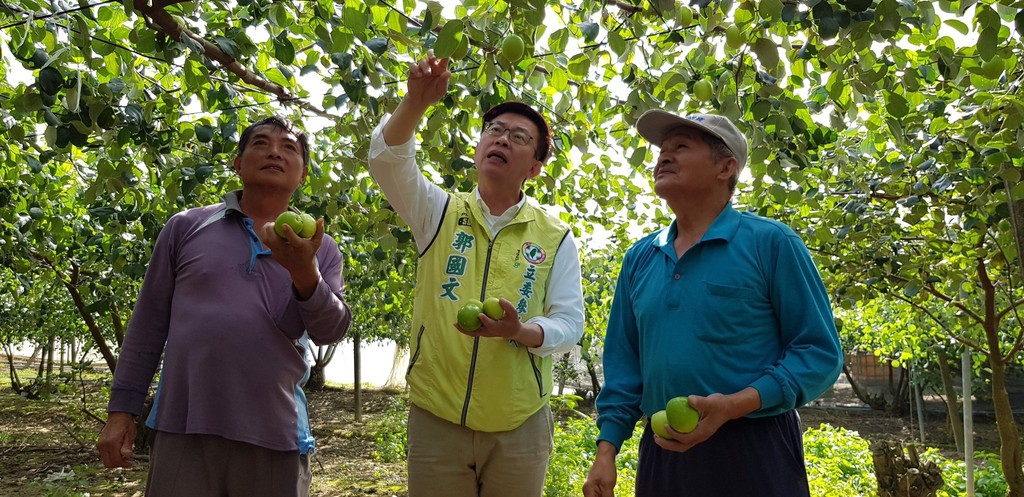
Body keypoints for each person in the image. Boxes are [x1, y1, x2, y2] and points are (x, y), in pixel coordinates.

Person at [583, 110, 843, 497]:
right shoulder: (640, 258)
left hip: (755, 447)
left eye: (681, 146)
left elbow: (818, 352)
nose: (664, 156)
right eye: (662, 149)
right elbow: (624, 366)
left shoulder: (771, 243)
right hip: (664, 451)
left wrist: (736, 404)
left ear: (726, 167)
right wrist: (606, 451)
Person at [96, 116, 352, 497]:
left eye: (289, 148)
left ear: (303, 174)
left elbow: (330, 329)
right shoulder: (186, 227)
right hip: (184, 426)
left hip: (275, 432)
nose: (274, 153)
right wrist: (121, 410)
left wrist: (305, 273)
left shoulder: (319, 246)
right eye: (261, 143)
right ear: (238, 163)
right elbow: (147, 325)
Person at [367, 52, 585, 497]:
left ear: (535, 168)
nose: (502, 139)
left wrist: (521, 331)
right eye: (494, 130)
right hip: (437, 415)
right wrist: (415, 102)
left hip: (520, 421)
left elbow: (570, 323)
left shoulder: (555, 236)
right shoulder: (437, 212)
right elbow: (387, 161)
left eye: (519, 137)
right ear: (478, 148)